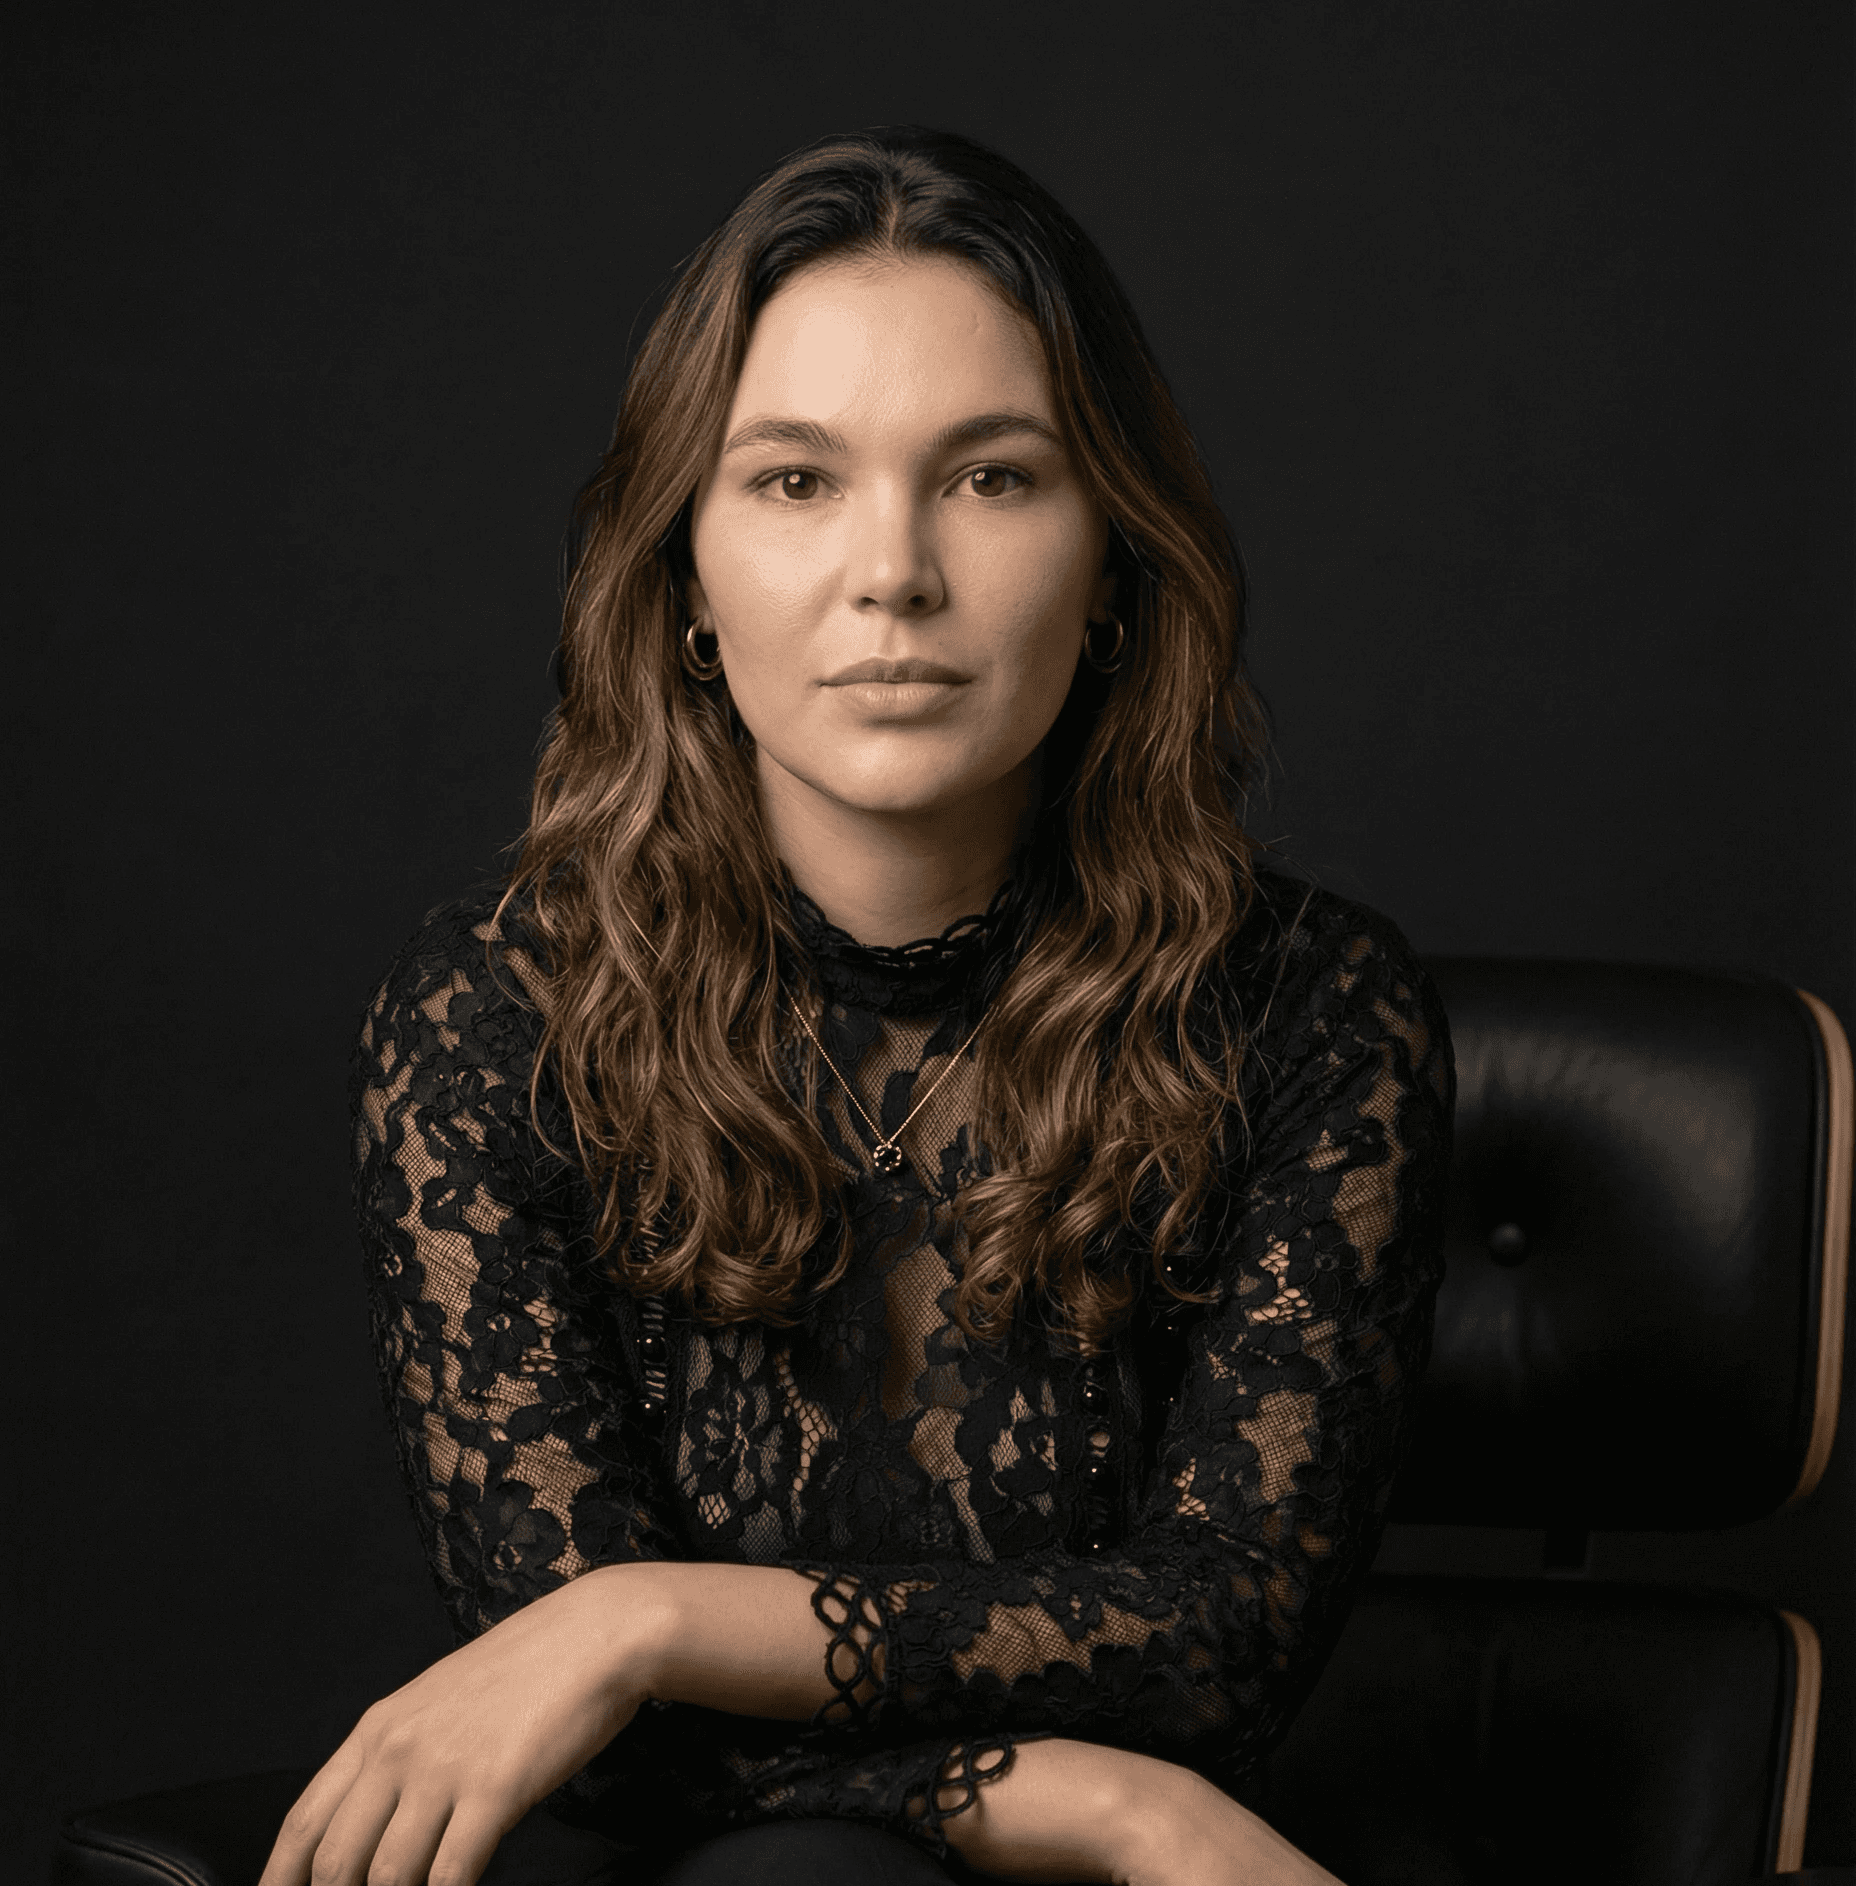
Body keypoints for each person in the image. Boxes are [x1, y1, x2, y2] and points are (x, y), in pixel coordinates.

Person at [260, 126, 1453, 1886]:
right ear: (686, 574)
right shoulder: (492, 1017)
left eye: (993, 476)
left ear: (1114, 568)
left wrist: (647, 1618)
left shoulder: (1313, 1013)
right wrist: (1108, 1801)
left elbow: (1214, 1645)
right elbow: (586, 1733)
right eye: (796, 479)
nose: (894, 569)